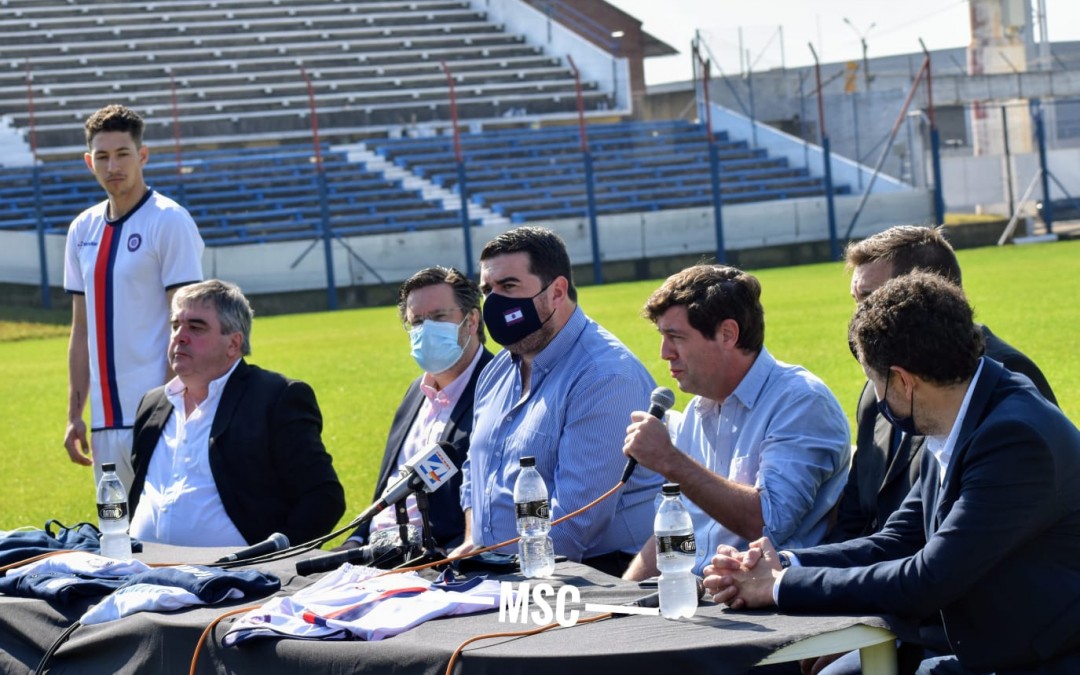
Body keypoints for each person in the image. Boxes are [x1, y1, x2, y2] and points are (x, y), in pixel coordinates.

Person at [705, 272, 1080, 675]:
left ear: (902, 380)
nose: (877, 396)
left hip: (1034, 660)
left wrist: (777, 586)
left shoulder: (1013, 438)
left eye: (875, 381)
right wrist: (783, 562)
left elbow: (926, 580)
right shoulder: (968, 412)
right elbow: (897, 541)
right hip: (977, 643)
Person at [621, 264, 851, 581]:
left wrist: (669, 460)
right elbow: (671, 534)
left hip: (768, 608)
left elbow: (770, 524)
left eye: (676, 336)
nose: (664, 353)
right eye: (663, 336)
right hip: (698, 597)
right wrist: (625, 596)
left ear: (728, 334)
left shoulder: (800, 402)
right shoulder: (698, 411)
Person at [455, 226, 663, 576]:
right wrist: (473, 543)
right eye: (487, 290)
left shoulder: (605, 377)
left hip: (595, 576)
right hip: (500, 570)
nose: (494, 303)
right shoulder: (497, 371)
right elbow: (475, 472)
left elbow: (576, 524)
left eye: (508, 287)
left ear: (557, 292)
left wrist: (501, 578)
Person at [830, 225, 1057, 543]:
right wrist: (797, 572)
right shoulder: (875, 390)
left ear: (926, 292)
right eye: (856, 302)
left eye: (871, 301)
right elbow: (856, 516)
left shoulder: (999, 375)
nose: (857, 319)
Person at [128, 279, 346, 548]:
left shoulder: (276, 398)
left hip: (234, 581)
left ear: (233, 344)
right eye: (175, 325)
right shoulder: (152, 404)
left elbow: (324, 497)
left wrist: (276, 557)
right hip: (143, 572)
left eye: (196, 327)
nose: (179, 336)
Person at [64, 104, 205, 492]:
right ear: (89, 161)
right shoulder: (81, 230)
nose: (113, 166)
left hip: (158, 416)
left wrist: (169, 407)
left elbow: (189, 324)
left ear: (142, 155)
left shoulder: (169, 220)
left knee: (166, 540)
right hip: (103, 421)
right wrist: (75, 414)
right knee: (115, 535)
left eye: (123, 154)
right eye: (103, 157)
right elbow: (81, 331)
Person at [336, 266, 493, 552]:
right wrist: (355, 540)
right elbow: (389, 484)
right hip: (374, 551)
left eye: (438, 317)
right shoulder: (415, 393)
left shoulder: (499, 386)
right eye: (417, 321)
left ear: (471, 321)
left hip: (439, 559)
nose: (426, 329)